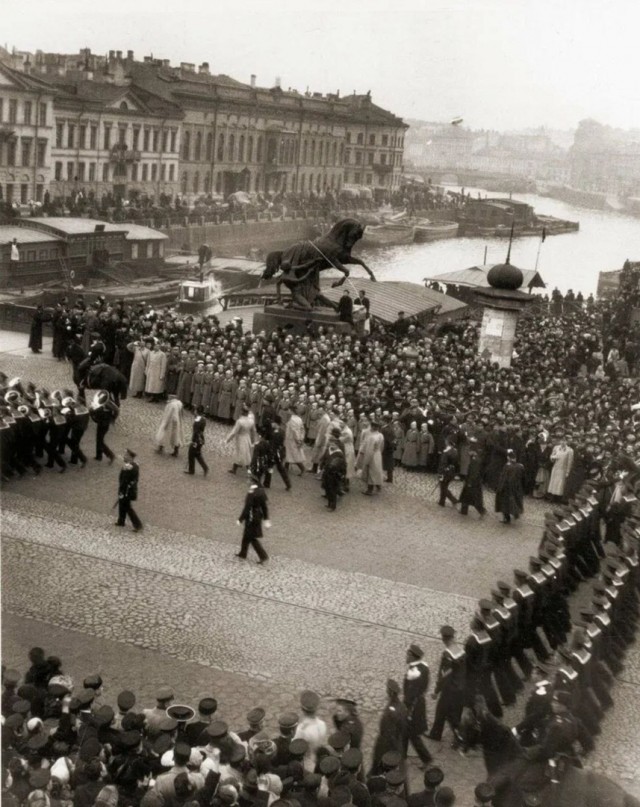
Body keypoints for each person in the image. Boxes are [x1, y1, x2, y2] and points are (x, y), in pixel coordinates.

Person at [428, 626, 465, 742]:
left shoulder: (447, 655)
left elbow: (444, 675)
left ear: (443, 639)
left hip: (450, 689)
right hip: (461, 687)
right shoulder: (461, 651)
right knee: (454, 712)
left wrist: (436, 691)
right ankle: (436, 733)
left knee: (444, 712)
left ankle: (458, 738)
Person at [403, 644, 432, 766]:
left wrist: (406, 707)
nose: (406, 657)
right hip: (420, 701)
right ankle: (402, 753)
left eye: (408, 655)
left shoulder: (413, 673)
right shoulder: (424, 667)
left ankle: (426, 759)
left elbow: (410, 694)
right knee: (405, 730)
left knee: (412, 734)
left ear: (412, 657)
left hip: (413, 706)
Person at [236, 476, 270, 564]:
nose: (247, 481)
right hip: (258, 516)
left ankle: (263, 555)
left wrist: (240, 519)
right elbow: (264, 507)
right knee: (246, 535)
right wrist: (266, 519)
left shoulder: (251, 492)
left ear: (252, 482)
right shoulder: (261, 491)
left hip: (251, 516)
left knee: (251, 537)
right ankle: (243, 553)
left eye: (248, 480)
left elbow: (247, 507)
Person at [115, 448, 142, 532]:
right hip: (125, 490)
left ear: (130, 457)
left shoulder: (130, 467)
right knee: (122, 505)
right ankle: (121, 521)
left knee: (127, 508)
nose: (124, 456)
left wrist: (122, 491)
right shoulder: (129, 465)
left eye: (126, 455)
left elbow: (125, 481)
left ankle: (137, 525)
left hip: (127, 491)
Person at [495, 449, 525, 524]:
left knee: (504, 504)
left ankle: (507, 519)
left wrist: (499, 488)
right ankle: (516, 513)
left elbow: (503, 478)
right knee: (514, 501)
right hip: (516, 488)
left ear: (508, 457)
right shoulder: (520, 466)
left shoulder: (507, 466)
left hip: (507, 488)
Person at [356, 419, 384, 495]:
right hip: (378, 455)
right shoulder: (380, 435)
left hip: (372, 455)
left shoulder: (372, 437)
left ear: (372, 427)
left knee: (371, 472)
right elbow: (382, 447)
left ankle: (370, 489)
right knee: (377, 471)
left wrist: (366, 460)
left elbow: (370, 450)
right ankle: (378, 485)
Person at [227, 405, 257, 474]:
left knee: (240, 453)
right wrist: (253, 440)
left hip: (240, 438)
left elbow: (234, 432)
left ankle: (238, 469)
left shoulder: (240, 421)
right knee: (246, 453)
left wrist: (228, 439)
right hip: (247, 437)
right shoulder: (251, 421)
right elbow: (253, 431)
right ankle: (242, 468)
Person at [459, 439, 485, 516]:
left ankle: (480, 510)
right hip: (473, 481)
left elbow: (474, 472)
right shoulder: (475, 458)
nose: (468, 452)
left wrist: (469, 482)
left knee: (471, 497)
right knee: (467, 497)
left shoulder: (475, 460)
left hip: (472, 482)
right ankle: (464, 510)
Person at [185, 405, 209, 476]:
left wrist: (193, 441)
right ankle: (205, 468)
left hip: (196, 440)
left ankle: (191, 470)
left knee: (191, 454)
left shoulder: (198, 420)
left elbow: (195, 431)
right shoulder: (203, 419)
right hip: (201, 439)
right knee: (197, 454)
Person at [285, 404, 306, 475]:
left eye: (288, 410)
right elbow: (302, 429)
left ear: (291, 411)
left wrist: (298, 440)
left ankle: (302, 468)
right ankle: (286, 467)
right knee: (289, 453)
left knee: (294, 454)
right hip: (294, 438)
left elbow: (295, 431)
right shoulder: (299, 418)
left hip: (292, 439)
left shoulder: (292, 419)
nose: (288, 411)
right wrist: (301, 438)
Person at [437, 438, 458, 508]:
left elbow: (442, 464)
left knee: (443, 487)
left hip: (445, 472)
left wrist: (440, 473)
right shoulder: (455, 451)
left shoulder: (446, 452)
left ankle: (453, 500)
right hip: (451, 472)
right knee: (444, 486)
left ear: (448, 443)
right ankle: (442, 501)